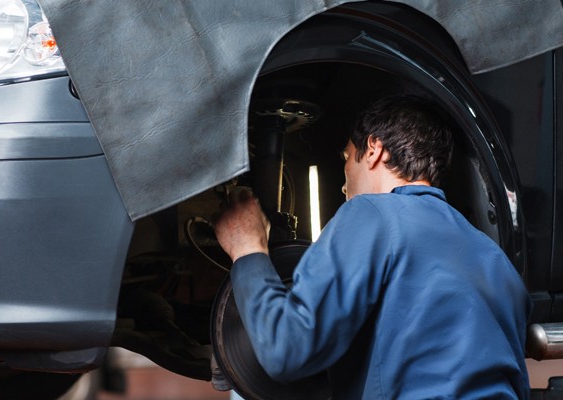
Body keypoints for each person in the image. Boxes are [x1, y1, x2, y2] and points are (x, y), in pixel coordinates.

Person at [214, 95, 532, 399]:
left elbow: (287, 349)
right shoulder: (496, 262)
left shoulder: (372, 213)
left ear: (373, 150)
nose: (343, 183)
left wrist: (248, 249)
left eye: (345, 160)